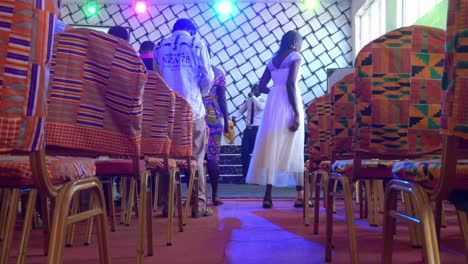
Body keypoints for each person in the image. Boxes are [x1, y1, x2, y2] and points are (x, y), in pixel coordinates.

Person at [154, 18, 214, 217]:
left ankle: (166, 205)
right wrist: (200, 92)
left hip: (167, 110)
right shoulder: (198, 43)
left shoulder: (160, 45)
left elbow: (157, 76)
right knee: (195, 157)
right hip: (192, 108)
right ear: (192, 30)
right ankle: (199, 205)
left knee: (167, 157)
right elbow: (208, 76)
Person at [246, 30, 306, 209]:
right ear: (295, 42)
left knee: (272, 144)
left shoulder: (272, 60)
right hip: (289, 102)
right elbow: (290, 84)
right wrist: (296, 113)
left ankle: (267, 196)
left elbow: (261, 85)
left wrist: (274, 91)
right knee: (295, 145)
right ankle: (300, 196)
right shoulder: (296, 56)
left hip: (274, 104)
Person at [203, 65, 229, 206]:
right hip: (214, 116)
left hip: (194, 114)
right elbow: (222, 98)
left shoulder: (193, 69)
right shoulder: (218, 72)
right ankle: (215, 195)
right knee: (213, 157)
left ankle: (195, 195)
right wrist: (226, 120)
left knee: (193, 157)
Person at [231, 83, 267, 183]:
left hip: (257, 129)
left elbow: (261, 108)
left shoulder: (263, 99)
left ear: (260, 91)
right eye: (253, 89)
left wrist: (253, 97)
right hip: (248, 129)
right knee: (244, 153)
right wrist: (234, 117)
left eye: (256, 89)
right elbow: (241, 111)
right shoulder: (248, 101)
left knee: (257, 153)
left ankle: (258, 177)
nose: (254, 91)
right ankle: (246, 176)